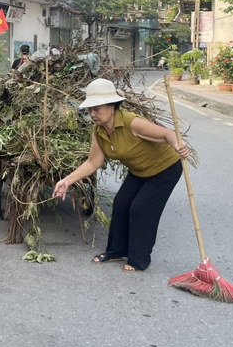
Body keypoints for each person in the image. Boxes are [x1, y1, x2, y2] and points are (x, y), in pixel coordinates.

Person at [52, 78, 190, 272]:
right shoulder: (99, 131)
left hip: (164, 169)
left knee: (141, 209)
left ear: (111, 106)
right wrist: (67, 181)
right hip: (139, 171)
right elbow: (93, 162)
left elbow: (166, 134)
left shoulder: (131, 122)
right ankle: (116, 251)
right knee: (121, 204)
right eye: (90, 109)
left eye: (97, 109)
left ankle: (138, 260)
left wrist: (178, 144)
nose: (93, 114)